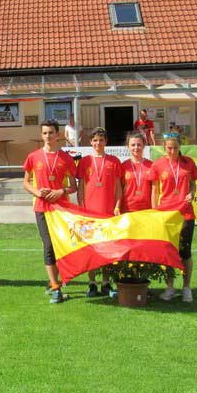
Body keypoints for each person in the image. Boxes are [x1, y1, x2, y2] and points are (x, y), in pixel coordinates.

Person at [22, 119, 78, 304]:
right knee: (48, 246)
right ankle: (55, 288)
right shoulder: (34, 156)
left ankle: (54, 281)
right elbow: (26, 182)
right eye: (44, 133)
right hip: (42, 208)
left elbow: (73, 186)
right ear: (41, 135)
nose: (48, 136)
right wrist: (38, 192)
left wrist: (60, 191)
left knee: (61, 246)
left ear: (58, 135)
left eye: (51, 133)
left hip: (61, 209)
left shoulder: (66, 158)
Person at [149, 134, 197, 302]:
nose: (172, 151)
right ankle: (169, 287)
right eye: (169, 148)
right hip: (166, 214)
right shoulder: (158, 165)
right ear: (164, 147)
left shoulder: (188, 162)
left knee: (185, 252)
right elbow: (155, 190)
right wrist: (154, 211)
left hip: (185, 213)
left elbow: (193, 183)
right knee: (167, 252)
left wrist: (192, 193)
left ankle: (186, 288)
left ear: (180, 147)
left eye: (175, 148)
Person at [76, 127, 123, 297]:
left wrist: (117, 206)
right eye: (95, 140)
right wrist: (81, 208)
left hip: (108, 213)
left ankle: (106, 283)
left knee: (107, 250)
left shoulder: (114, 161)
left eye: (101, 140)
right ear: (90, 142)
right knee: (91, 251)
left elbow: (119, 187)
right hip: (89, 214)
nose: (98, 143)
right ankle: (92, 283)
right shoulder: (84, 162)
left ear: (106, 142)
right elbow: (80, 188)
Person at [121, 132, 153, 213]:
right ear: (128, 146)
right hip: (127, 209)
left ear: (144, 145)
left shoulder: (151, 165)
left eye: (139, 144)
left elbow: (155, 190)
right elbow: (119, 189)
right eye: (133, 145)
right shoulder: (123, 166)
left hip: (147, 209)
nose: (136, 147)